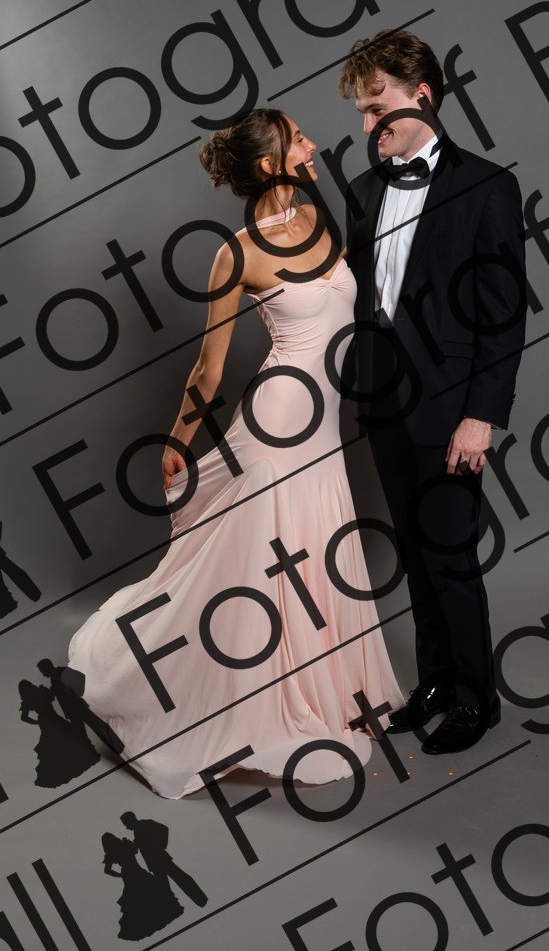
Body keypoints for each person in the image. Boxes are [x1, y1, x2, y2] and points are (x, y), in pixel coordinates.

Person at [68, 108, 403, 798]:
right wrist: (177, 439)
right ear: (271, 163)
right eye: (299, 139)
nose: (313, 145)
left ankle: (323, 683)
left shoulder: (321, 219)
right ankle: (231, 698)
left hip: (324, 428)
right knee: (270, 560)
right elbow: (209, 368)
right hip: (278, 425)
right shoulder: (237, 253)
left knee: (316, 551)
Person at [339, 29, 526, 753]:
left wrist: (481, 417)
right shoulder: (362, 191)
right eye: (360, 112)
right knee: (415, 555)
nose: (366, 124)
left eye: (375, 106)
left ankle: (478, 699)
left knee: (450, 555)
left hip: (452, 410)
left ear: (420, 96)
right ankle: (438, 682)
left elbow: (503, 315)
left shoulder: (487, 186)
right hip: (384, 404)